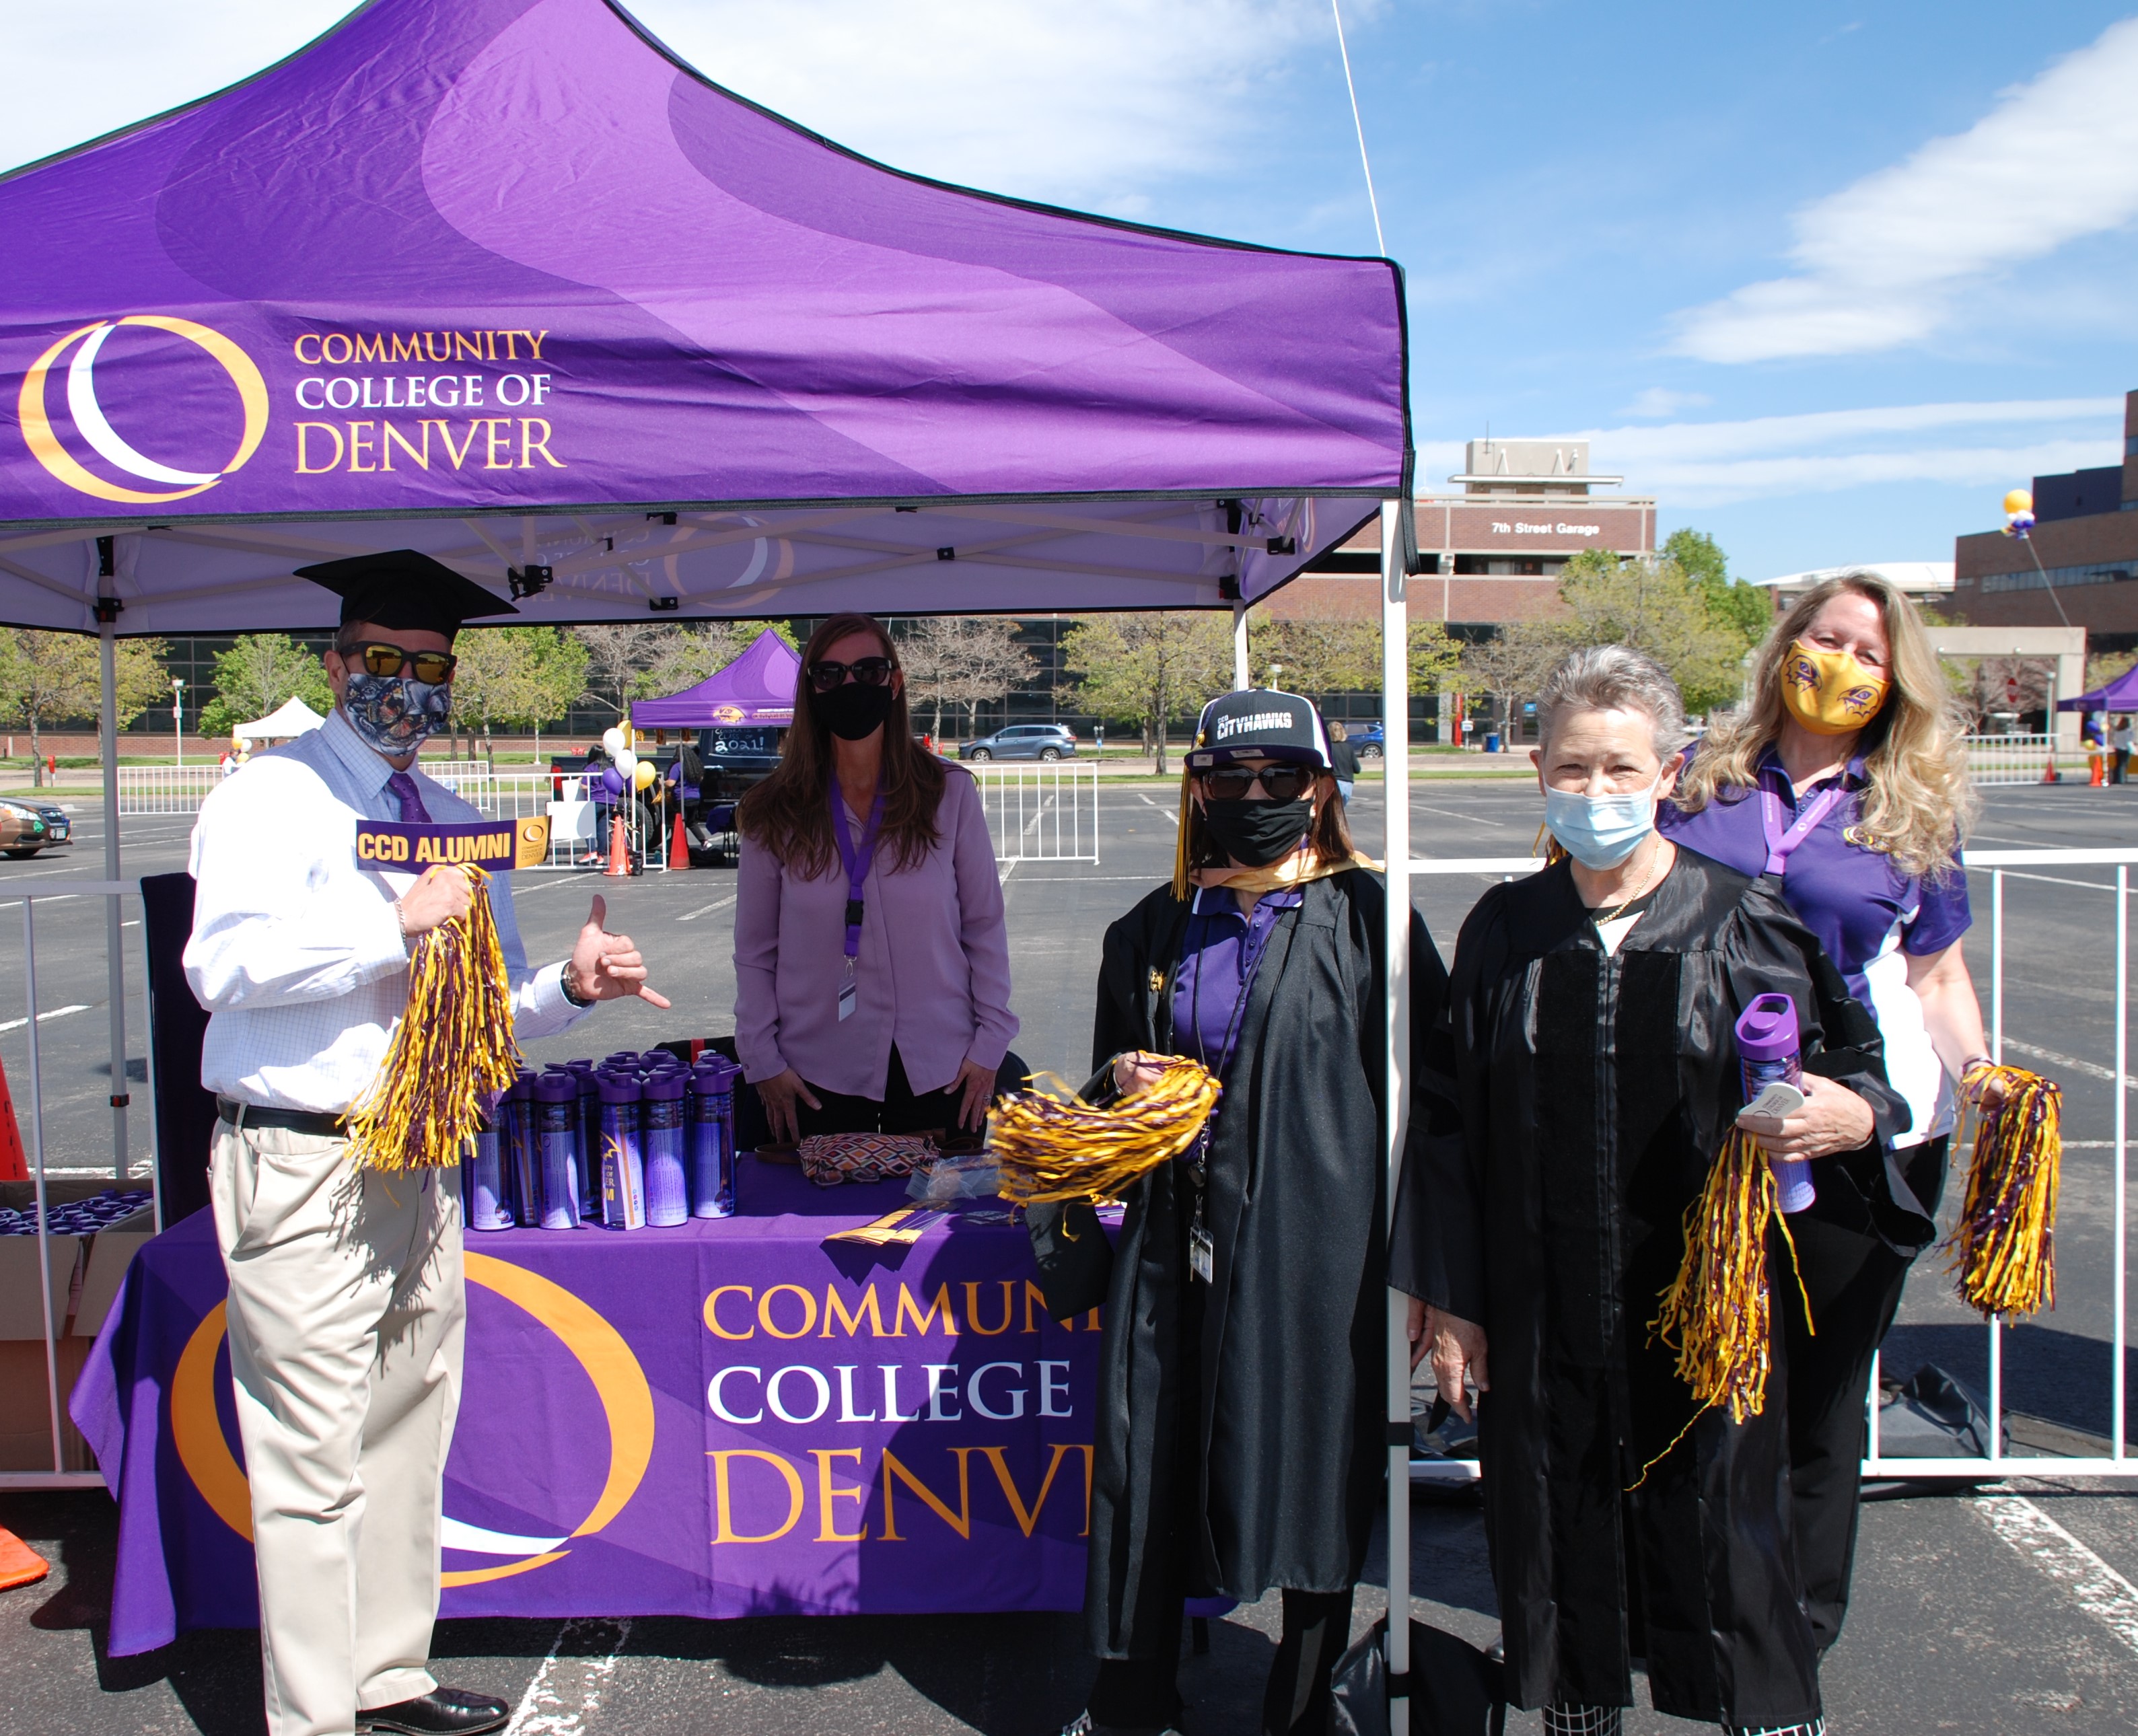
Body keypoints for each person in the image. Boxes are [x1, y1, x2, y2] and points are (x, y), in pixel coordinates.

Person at [184, 550, 669, 1736]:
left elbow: (480, 1017)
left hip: (422, 1156)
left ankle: (385, 1674)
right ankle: (311, 1717)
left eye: (432, 670)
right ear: (339, 665)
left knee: (410, 1421)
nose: (408, 689)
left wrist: (568, 983)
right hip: (303, 1160)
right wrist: (384, 931)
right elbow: (219, 968)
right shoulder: (273, 796)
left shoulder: (453, 823)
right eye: (386, 665)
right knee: (309, 1455)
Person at [1398, 645, 1906, 1736]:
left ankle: (1765, 1719)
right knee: (1555, 1541)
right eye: (1573, 769)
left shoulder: (1745, 919)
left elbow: (1860, 1073)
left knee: (1729, 1545)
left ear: (1669, 771)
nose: (1595, 794)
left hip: (1707, 1310)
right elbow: (1447, 1129)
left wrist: (1854, 1113)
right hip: (1541, 1312)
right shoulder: (1502, 930)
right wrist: (1453, 1303)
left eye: (1620, 771)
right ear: (1536, 768)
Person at [1032, 688, 1447, 1736]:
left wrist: (1429, 1279)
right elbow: (1104, 1088)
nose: (1252, 795)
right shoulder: (1155, 928)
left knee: (1313, 1469)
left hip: (1320, 1248)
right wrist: (1116, 1081)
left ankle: (1300, 1712)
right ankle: (1130, 1699)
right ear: (1196, 787)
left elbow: (1433, 1108)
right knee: (1147, 1466)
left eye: (1279, 776)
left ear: (1321, 787)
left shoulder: (1370, 924)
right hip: (1176, 1241)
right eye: (1227, 777)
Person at [1659, 571, 1996, 1652]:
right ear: (1785, 645)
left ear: (1896, 678)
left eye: (1868, 649)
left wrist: (1984, 1077)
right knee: (1695, 1366)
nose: (1839, 662)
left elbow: (1936, 976)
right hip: (1701, 1126)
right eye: (1823, 637)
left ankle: (1794, 1629)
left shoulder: (1913, 811)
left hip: (1860, 1131)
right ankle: (1690, 1602)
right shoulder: (1699, 781)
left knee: (1818, 1392)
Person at [734, 612, 1015, 1141]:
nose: (849, 686)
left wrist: (990, 1042)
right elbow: (754, 950)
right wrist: (761, 1057)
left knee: (935, 1223)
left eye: (868, 671)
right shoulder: (772, 810)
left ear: (895, 681)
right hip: (814, 1074)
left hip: (944, 1068)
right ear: (811, 689)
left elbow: (984, 926)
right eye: (829, 675)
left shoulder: (949, 793)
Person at [1325, 719, 1361, 802]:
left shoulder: (1328, 748)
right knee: (1340, 811)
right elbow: (1357, 769)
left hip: (1333, 783)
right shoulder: (1349, 748)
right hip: (1347, 785)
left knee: (1330, 812)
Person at [2112, 714, 2133, 785]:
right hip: (2125, 749)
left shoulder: (2118, 730)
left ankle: (2116, 779)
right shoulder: (2127, 731)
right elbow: (2128, 741)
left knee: (2118, 764)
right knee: (2123, 765)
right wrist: (2132, 749)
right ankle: (2121, 779)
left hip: (2118, 748)